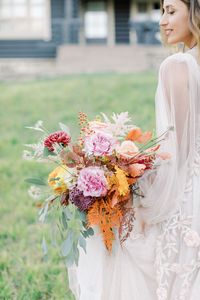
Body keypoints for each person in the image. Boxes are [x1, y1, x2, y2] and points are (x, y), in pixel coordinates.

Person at [68, 1, 200, 299]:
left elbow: (180, 148)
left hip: (190, 186)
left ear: (194, 13)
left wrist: (141, 187)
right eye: (162, 11)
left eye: (170, 11)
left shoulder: (178, 66)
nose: (162, 21)